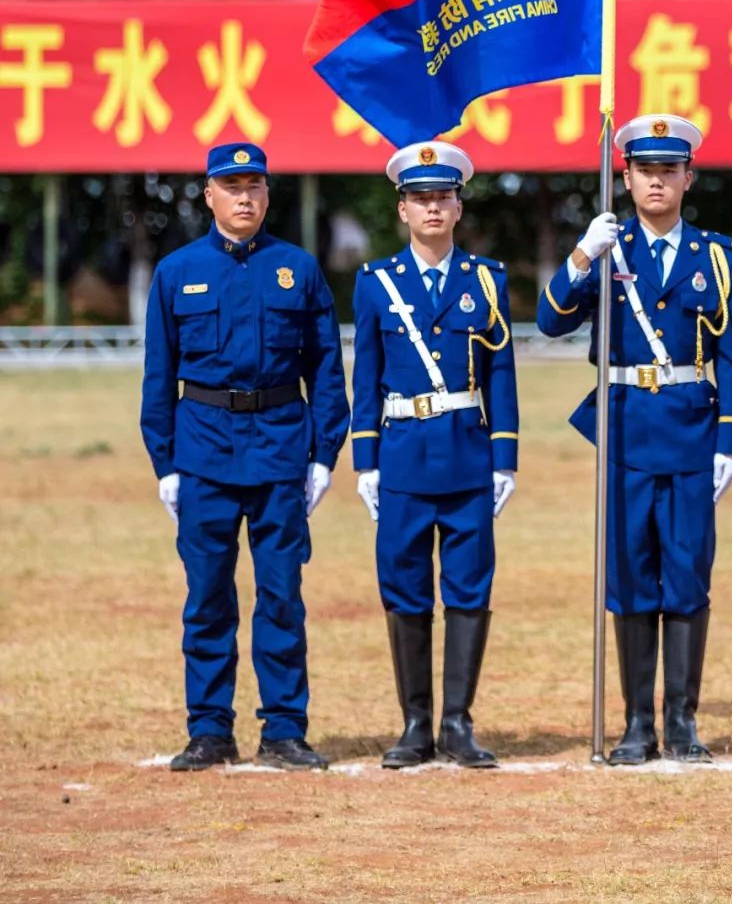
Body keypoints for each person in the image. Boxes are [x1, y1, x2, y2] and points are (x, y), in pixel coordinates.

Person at [536, 114, 732, 764]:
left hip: (689, 430)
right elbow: (549, 323)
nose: (657, 181)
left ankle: (681, 722)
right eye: (644, 170)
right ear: (624, 177)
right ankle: (636, 724)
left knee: (685, 574)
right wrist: (580, 256)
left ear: (688, 176)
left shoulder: (716, 256)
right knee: (629, 575)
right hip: (624, 430)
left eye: (668, 169)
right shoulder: (609, 248)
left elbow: (731, 356)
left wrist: (731, 441)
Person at [141, 143, 349, 772]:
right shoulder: (176, 272)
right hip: (203, 455)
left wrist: (323, 454)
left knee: (282, 595)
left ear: (267, 194)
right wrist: (166, 465)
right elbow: (159, 376)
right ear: (208, 194)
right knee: (207, 598)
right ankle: (209, 730)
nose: (244, 198)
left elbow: (325, 368)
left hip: (282, 451)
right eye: (231, 187)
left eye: (255, 186)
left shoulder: (298, 269)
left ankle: (284, 729)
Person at [352, 141, 518, 770]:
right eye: (420, 197)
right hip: (401, 457)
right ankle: (416, 724)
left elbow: (500, 374)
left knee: (470, 586)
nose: (432, 207)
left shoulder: (487, 280)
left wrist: (505, 457)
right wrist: (365, 461)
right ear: (402, 209)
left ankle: (457, 722)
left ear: (458, 206)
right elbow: (364, 377)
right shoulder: (375, 285)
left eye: (442, 196)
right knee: (404, 587)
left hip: (468, 456)